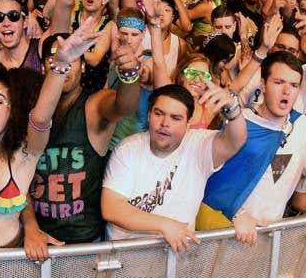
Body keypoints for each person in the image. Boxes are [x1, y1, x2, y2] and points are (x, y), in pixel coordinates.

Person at [0, 25, 101, 252]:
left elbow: (42, 117)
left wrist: (61, 64)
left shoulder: (27, 150)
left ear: (13, 110)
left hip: (13, 260)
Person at [198, 51, 306, 243]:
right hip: (223, 231)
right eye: (279, 83)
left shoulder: (305, 129)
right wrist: (236, 213)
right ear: (263, 84)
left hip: (268, 239)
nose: (287, 91)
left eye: (294, 85)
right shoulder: (240, 121)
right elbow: (210, 180)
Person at [22, 28, 143, 257]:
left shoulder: (94, 105)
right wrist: (30, 226)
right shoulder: (32, 110)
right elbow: (18, 176)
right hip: (37, 240)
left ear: (83, 66)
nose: (65, 66)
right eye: (55, 59)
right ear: (44, 67)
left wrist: (129, 73)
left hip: (85, 241)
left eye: (73, 60)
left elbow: (124, 106)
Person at [102, 80, 247, 250]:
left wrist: (232, 107)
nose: (165, 123)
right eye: (159, 113)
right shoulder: (128, 149)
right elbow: (111, 208)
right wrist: (165, 225)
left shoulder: (198, 144)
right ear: (149, 115)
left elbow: (236, 140)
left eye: (175, 118)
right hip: (125, 260)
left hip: (173, 263)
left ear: (188, 124)